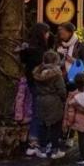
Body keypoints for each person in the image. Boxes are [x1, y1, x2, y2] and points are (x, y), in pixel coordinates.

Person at [19, 22, 53, 156]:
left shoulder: (27, 49)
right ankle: (36, 142)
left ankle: (35, 141)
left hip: (31, 83)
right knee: (39, 112)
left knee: (35, 110)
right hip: (41, 84)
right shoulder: (40, 51)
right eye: (46, 33)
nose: (48, 35)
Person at [33, 50, 67, 159]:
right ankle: (54, 150)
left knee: (42, 124)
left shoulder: (37, 73)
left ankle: (42, 149)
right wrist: (63, 99)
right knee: (55, 125)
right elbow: (61, 90)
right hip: (54, 100)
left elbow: (35, 89)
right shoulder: (56, 74)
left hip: (40, 100)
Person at [63, 72, 84, 164]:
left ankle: (83, 157)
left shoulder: (75, 98)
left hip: (80, 121)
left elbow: (71, 113)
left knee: (81, 138)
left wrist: (69, 123)